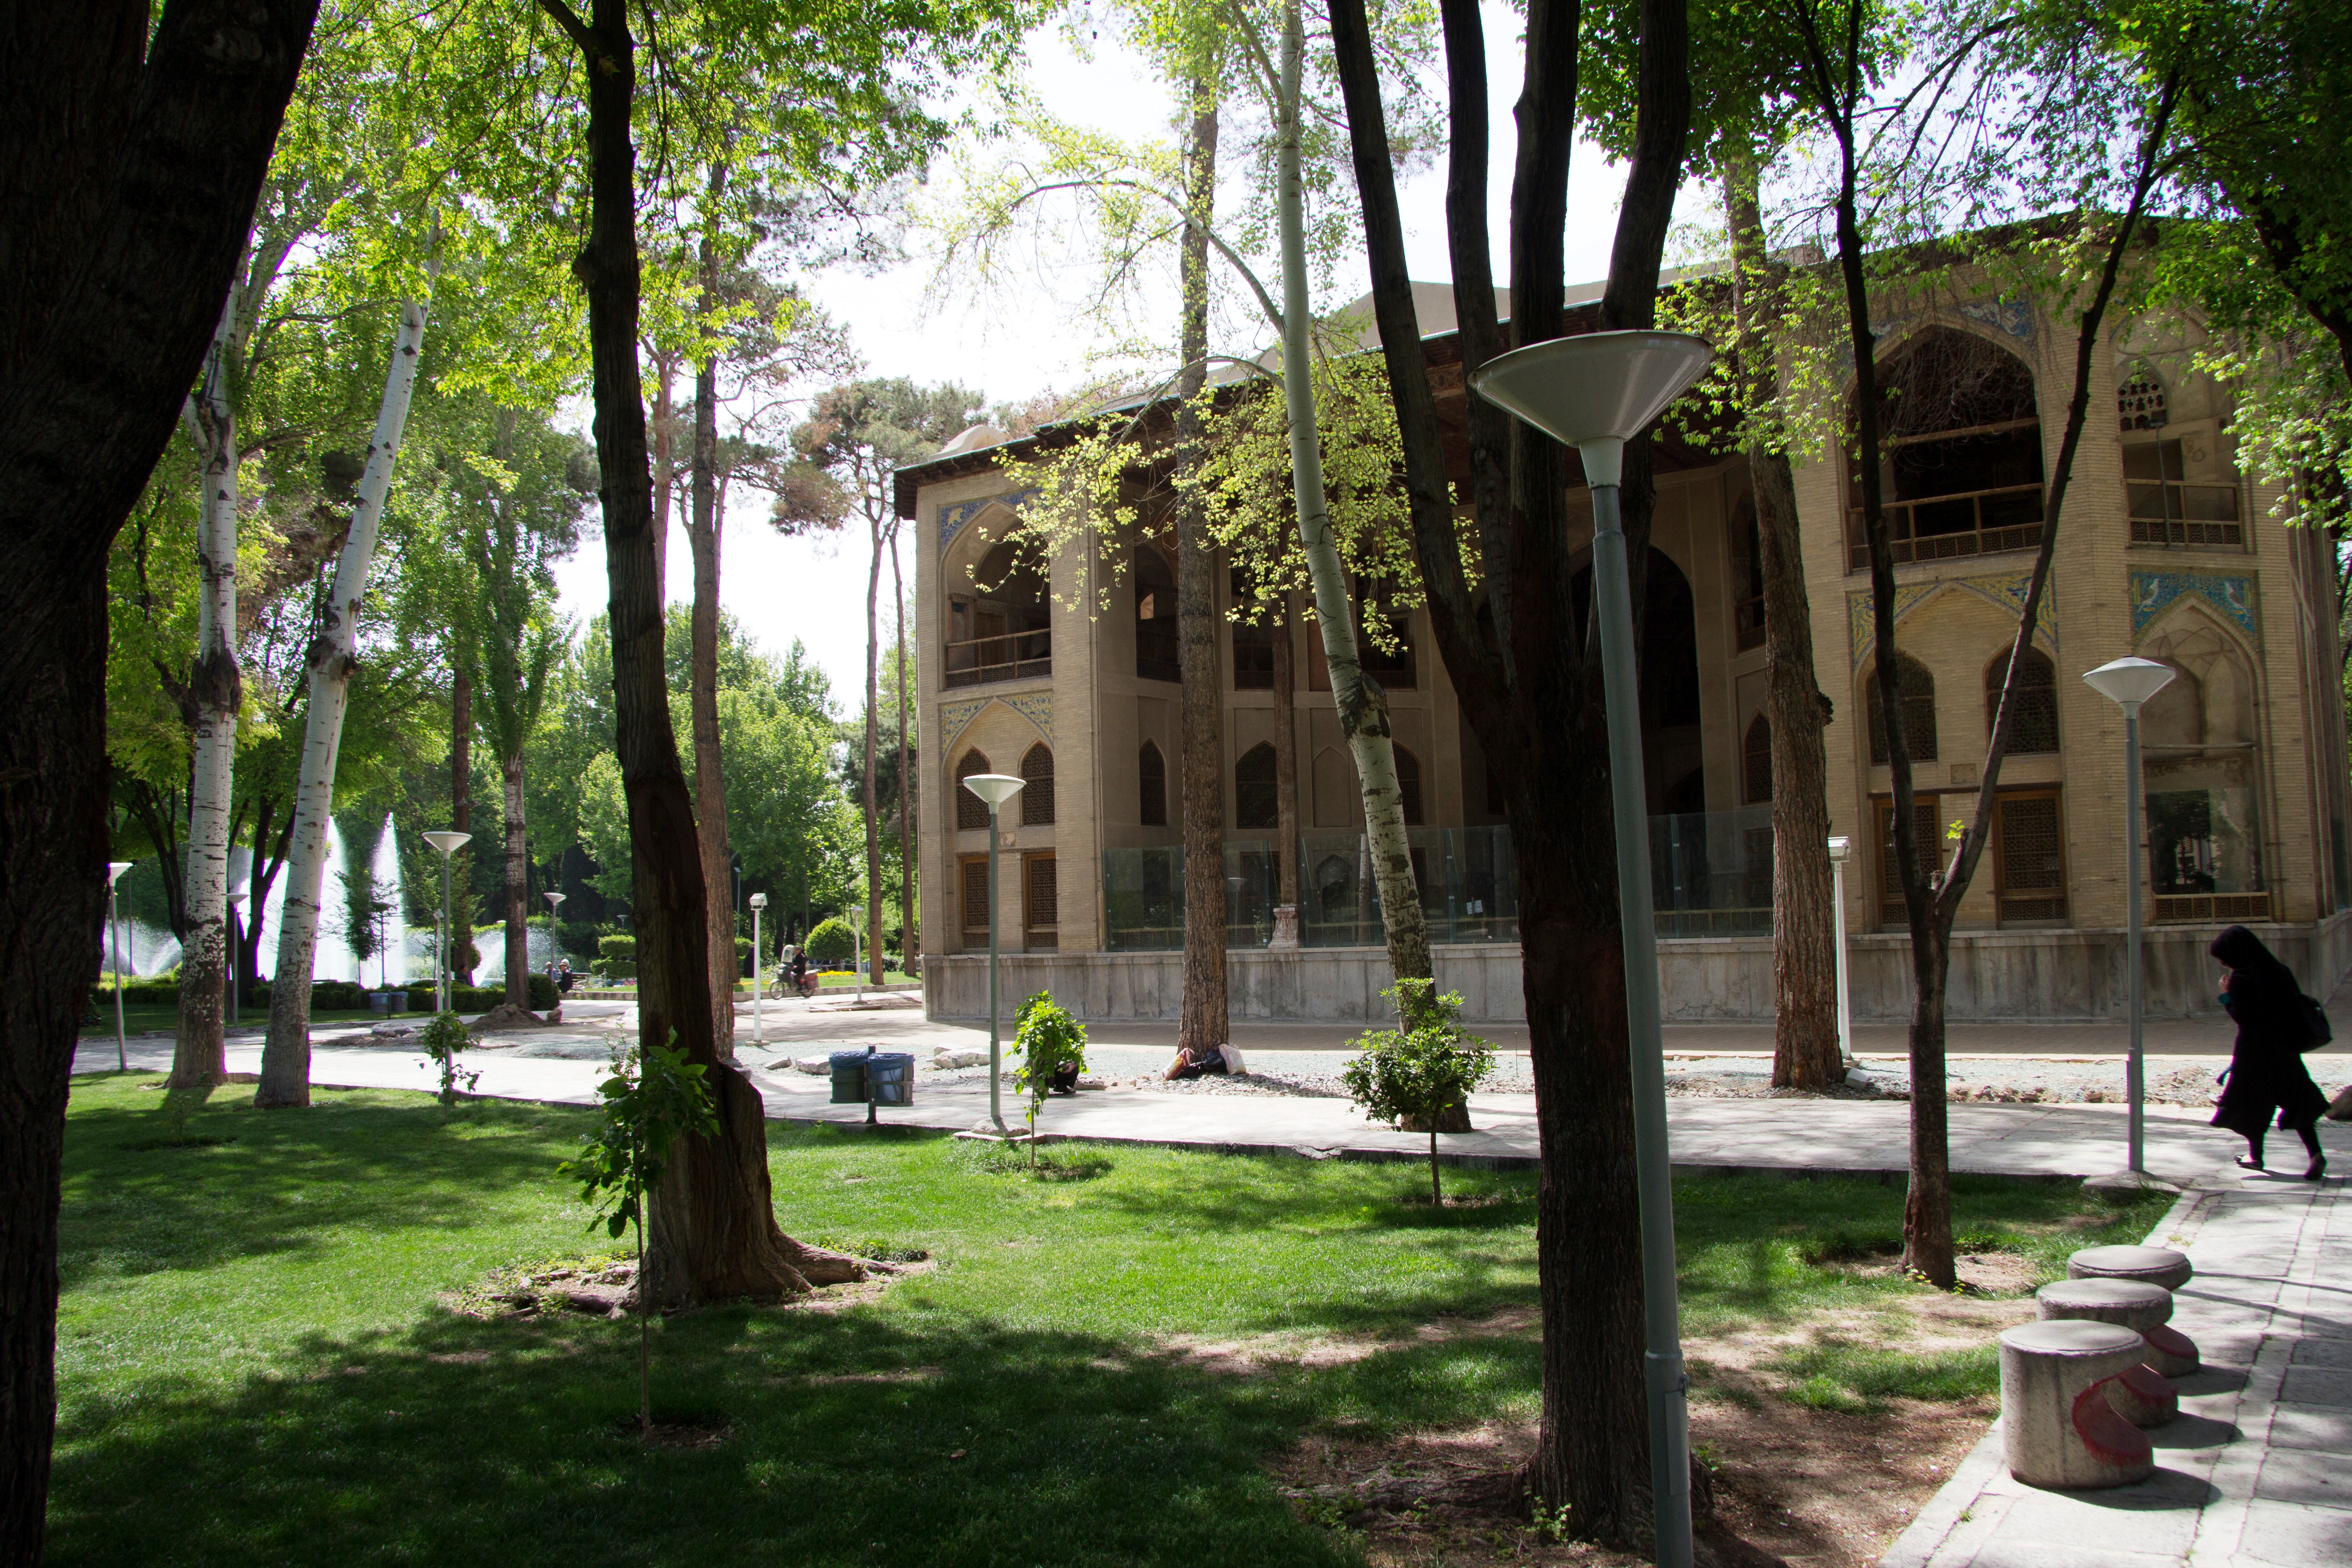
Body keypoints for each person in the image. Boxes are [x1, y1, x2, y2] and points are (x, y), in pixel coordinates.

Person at [2210, 924, 2329, 1181]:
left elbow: (2243, 1018)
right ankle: (2316, 1154)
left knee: (2251, 1104)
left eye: (2225, 960)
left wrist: (2225, 996)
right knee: (2298, 1101)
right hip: (2285, 1049)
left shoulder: (2242, 979)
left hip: (2253, 1053)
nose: (2226, 965)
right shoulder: (2280, 971)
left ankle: (2256, 1156)